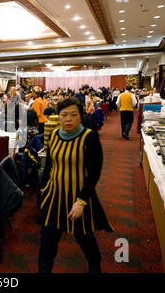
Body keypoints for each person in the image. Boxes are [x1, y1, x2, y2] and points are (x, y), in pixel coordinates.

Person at [39, 98, 113, 273]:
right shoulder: (55, 134)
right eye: (64, 115)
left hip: (79, 199)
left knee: (87, 242)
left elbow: (95, 172)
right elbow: (49, 165)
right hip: (54, 197)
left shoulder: (89, 137)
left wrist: (81, 201)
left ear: (81, 116)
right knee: (47, 245)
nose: (68, 119)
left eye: (73, 115)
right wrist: (43, 189)